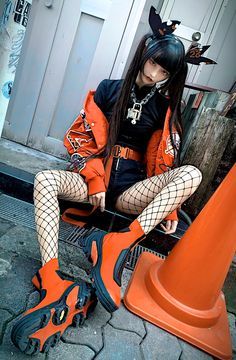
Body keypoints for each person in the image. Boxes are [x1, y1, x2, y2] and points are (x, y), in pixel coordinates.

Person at [11, 7, 216, 355]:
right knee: (45, 179)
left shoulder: (165, 107)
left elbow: (166, 164)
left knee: (191, 174)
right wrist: (94, 180)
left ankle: (117, 244)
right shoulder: (108, 90)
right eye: (153, 62)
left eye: (164, 70)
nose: (155, 73)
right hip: (96, 183)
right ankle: (51, 275)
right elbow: (79, 141)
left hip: (132, 192)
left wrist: (166, 211)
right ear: (144, 54)